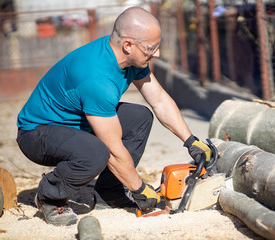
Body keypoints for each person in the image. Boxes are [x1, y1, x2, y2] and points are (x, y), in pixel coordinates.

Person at [16, 6, 211, 226]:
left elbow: (159, 100)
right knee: (97, 153)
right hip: (37, 133)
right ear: (128, 45)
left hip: (74, 124)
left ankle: (109, 192)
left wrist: (191, 141)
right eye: (151, 47)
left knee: (140, 117)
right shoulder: (97, 79)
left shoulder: (131, 59)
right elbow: (114, 151)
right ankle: (50, 195)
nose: (156, 53)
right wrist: (140, 189)